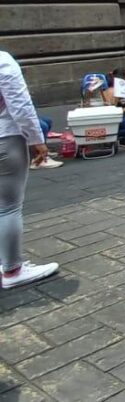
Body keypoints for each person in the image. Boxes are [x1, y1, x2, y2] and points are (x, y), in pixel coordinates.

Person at [0, 50, 61, 289]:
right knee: (8, 207)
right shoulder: (2, 61)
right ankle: (13, 269)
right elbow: (20, 104)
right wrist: (37, 139)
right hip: (5, 137)